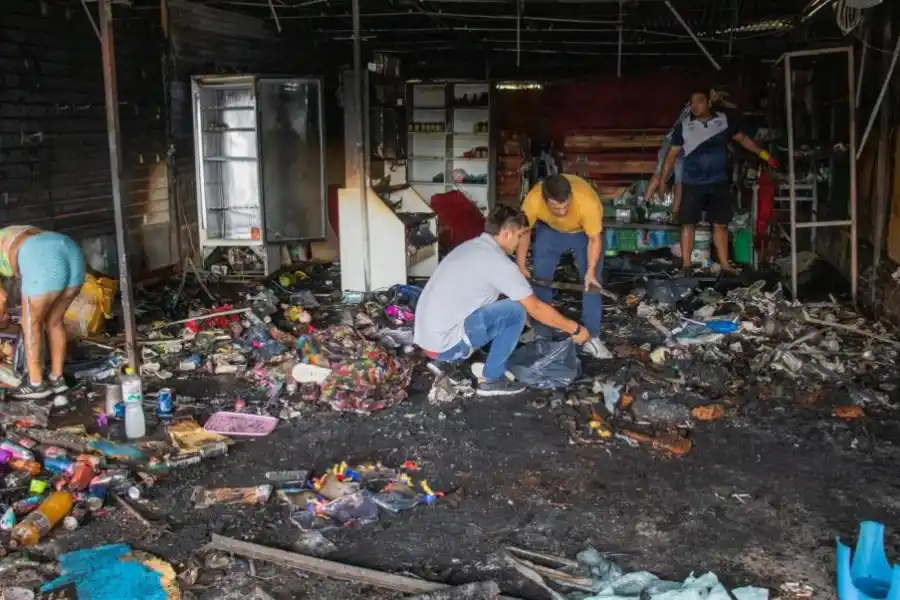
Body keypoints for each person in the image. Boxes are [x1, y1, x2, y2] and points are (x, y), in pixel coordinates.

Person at [414, 206, 591, 397]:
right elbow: (536, 307)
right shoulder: (499, 263)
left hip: (426, 339)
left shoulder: (471, 247)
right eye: (520, 235)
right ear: (507, 233)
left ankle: (448, 362)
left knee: (510, 309)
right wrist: (575, 329)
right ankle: (491, 380)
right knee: (516, 311)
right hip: (445, 346)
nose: (522, 242)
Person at [659, 89, 776, 276]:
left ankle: (725, 265)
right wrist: (662, 181)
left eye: (700, 101)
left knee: (720, 224)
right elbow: (671, 156)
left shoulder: (723, 120)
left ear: (709, 103)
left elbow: (743, 139)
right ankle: (686, 266)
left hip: (717, 182)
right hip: (692, 183)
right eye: (692, 103)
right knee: (688, 223)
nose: (695, 106)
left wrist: (764, 154)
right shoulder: (684, 126)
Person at [515, 173, 610, 359]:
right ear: (545, 200)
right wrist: (520, 264)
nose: (562, 211)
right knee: (541, 280)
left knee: (592, 284)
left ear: (571, 197)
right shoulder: (533, 200)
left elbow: (594, 239)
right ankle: (542, 335)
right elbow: (524, 232)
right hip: (550, 231)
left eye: (566, 205)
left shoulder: (586, 202)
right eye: (556, 207)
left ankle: (592, 337)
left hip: (584, 233)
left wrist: (590, 270)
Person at [0, 226, 86, 399]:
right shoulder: (7, 234)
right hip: (69, 247)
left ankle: (35, 384)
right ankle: (57, 379)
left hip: (39, 255)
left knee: (30, 323)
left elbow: (1, 298)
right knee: (54, 321)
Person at [644, 87, 738, 212]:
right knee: (671, 176)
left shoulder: (697, 109)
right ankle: (668, 209)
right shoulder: (699, 110)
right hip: (677, 145)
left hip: (679, 146)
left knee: (672, 177)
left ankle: (656, 206)